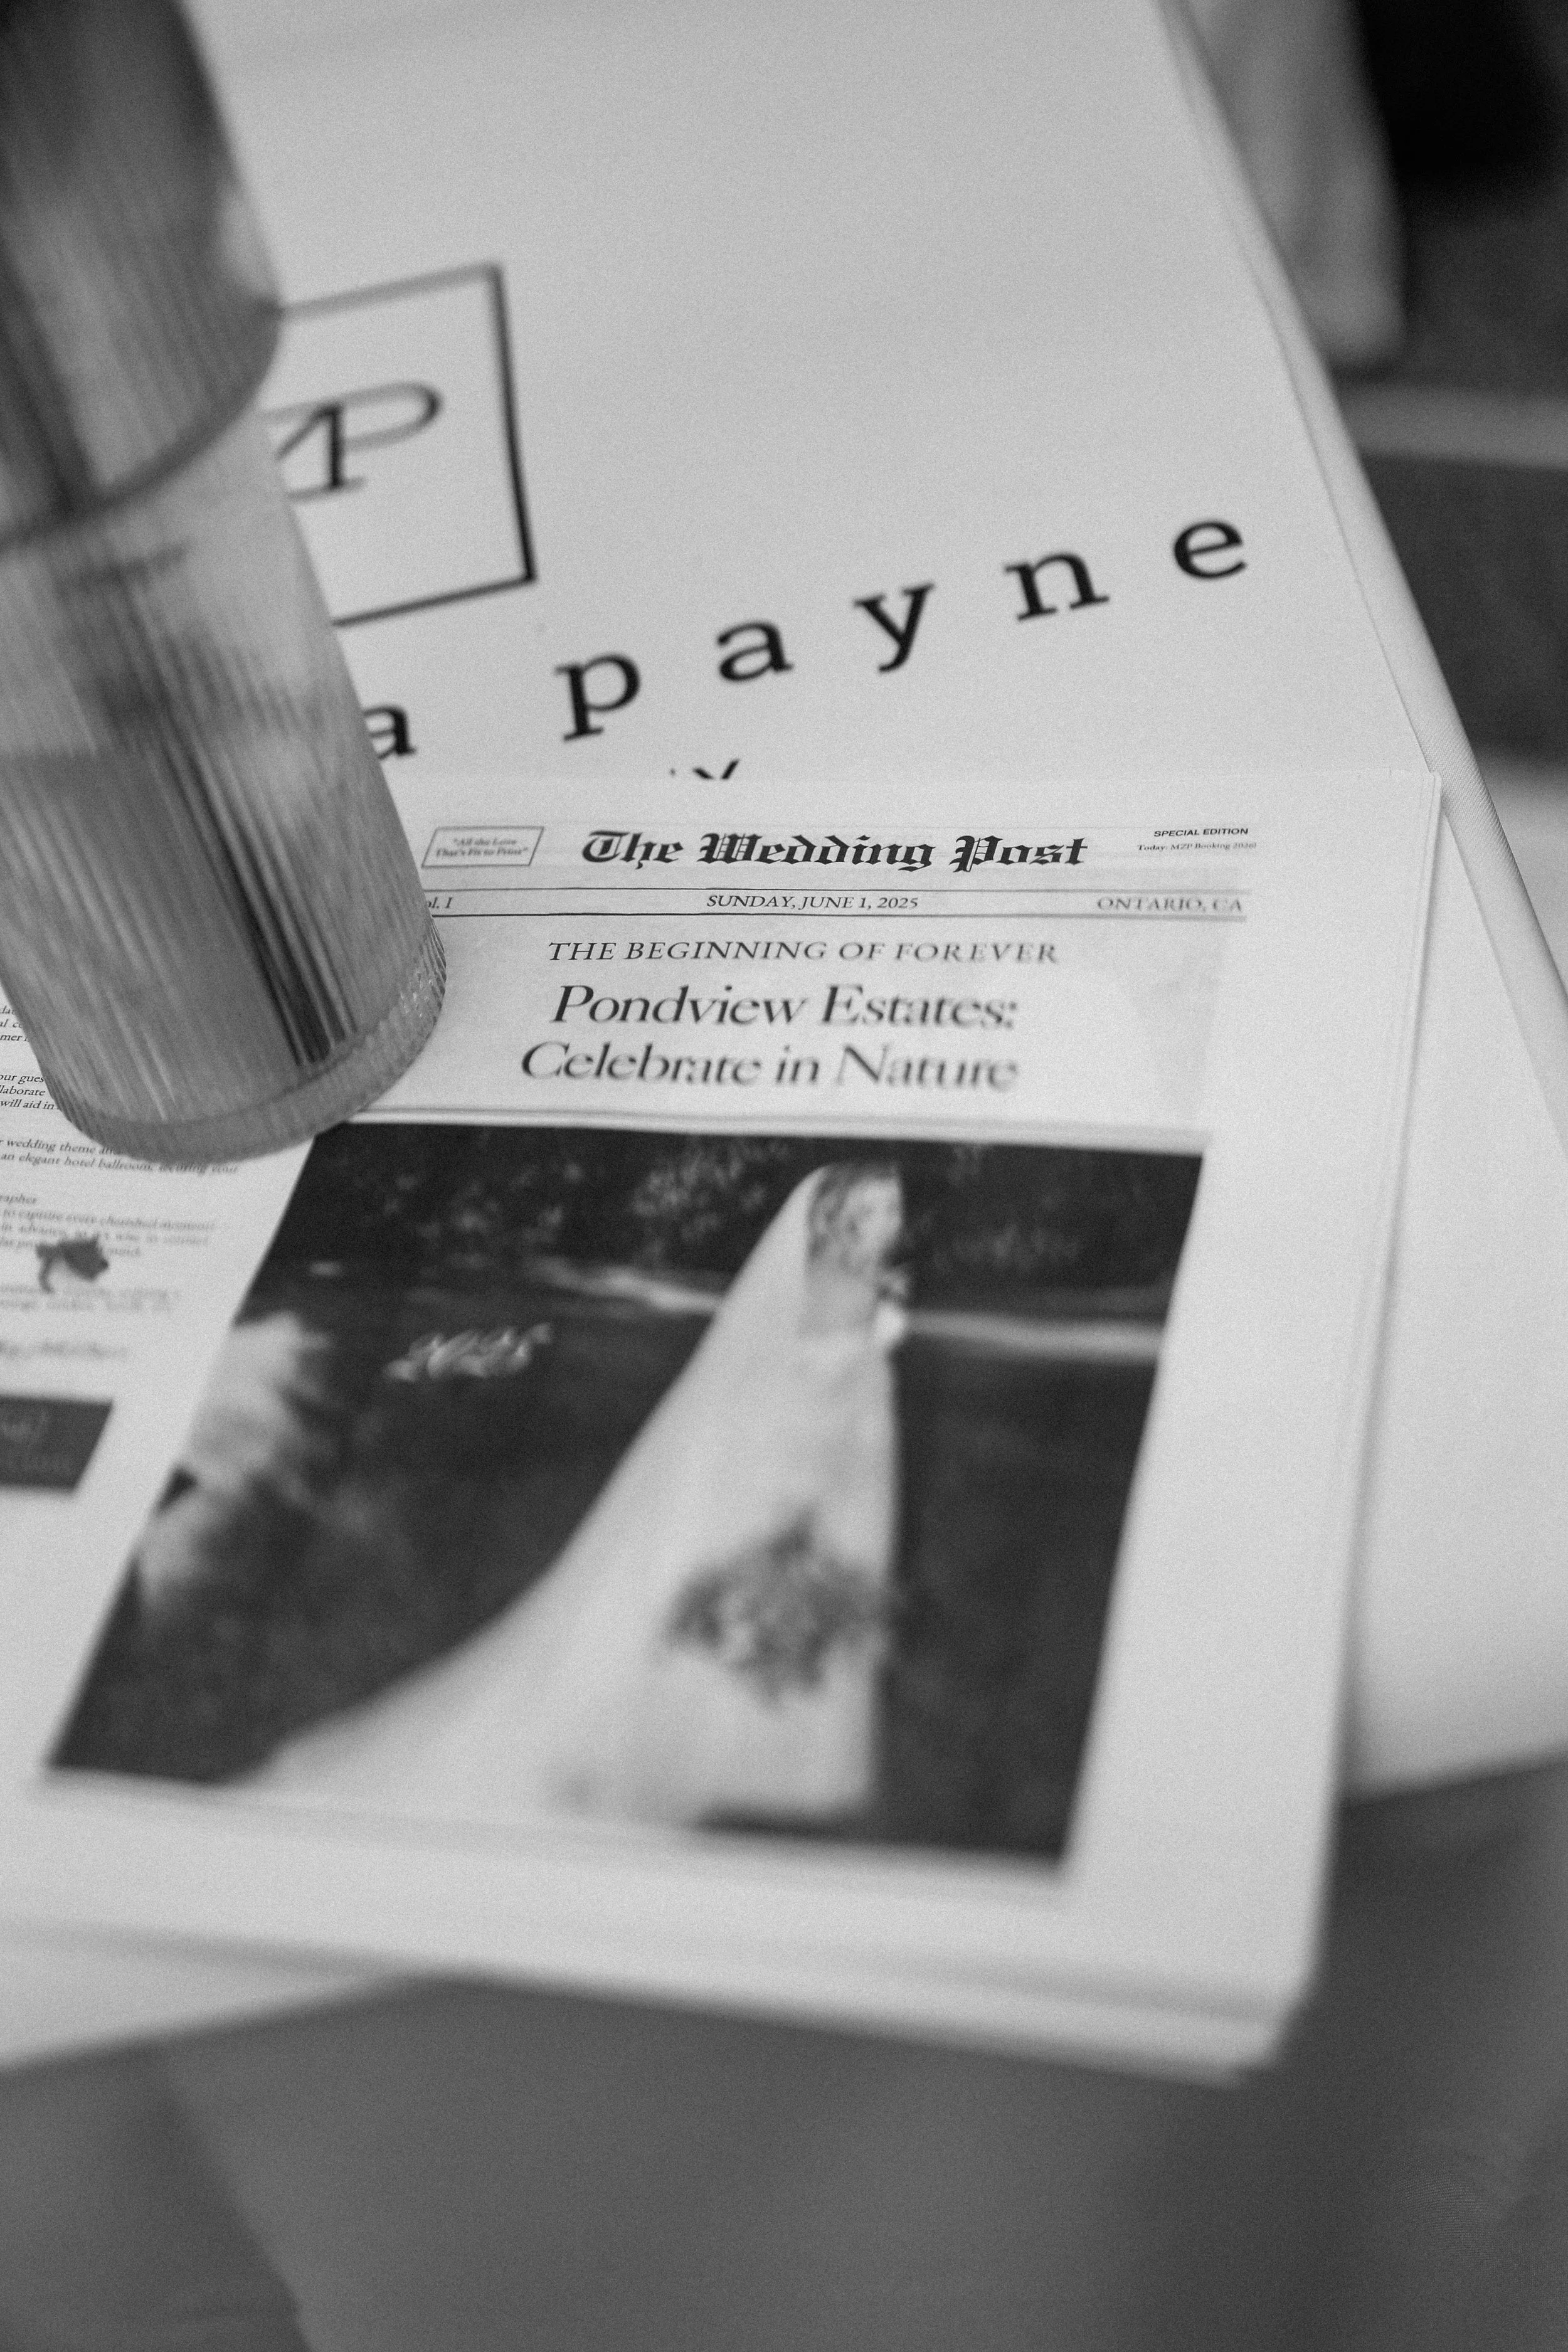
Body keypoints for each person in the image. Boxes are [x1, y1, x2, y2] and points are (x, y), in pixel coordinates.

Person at [255, 1163, 909, 1831]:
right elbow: (812, 1381)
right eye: (877, 1214)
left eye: (888, 1214)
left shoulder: (862, 1291)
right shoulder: (835, 1294)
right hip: (798, 1447)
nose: (891, 1226)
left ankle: (738, 1753)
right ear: (838, 1223)